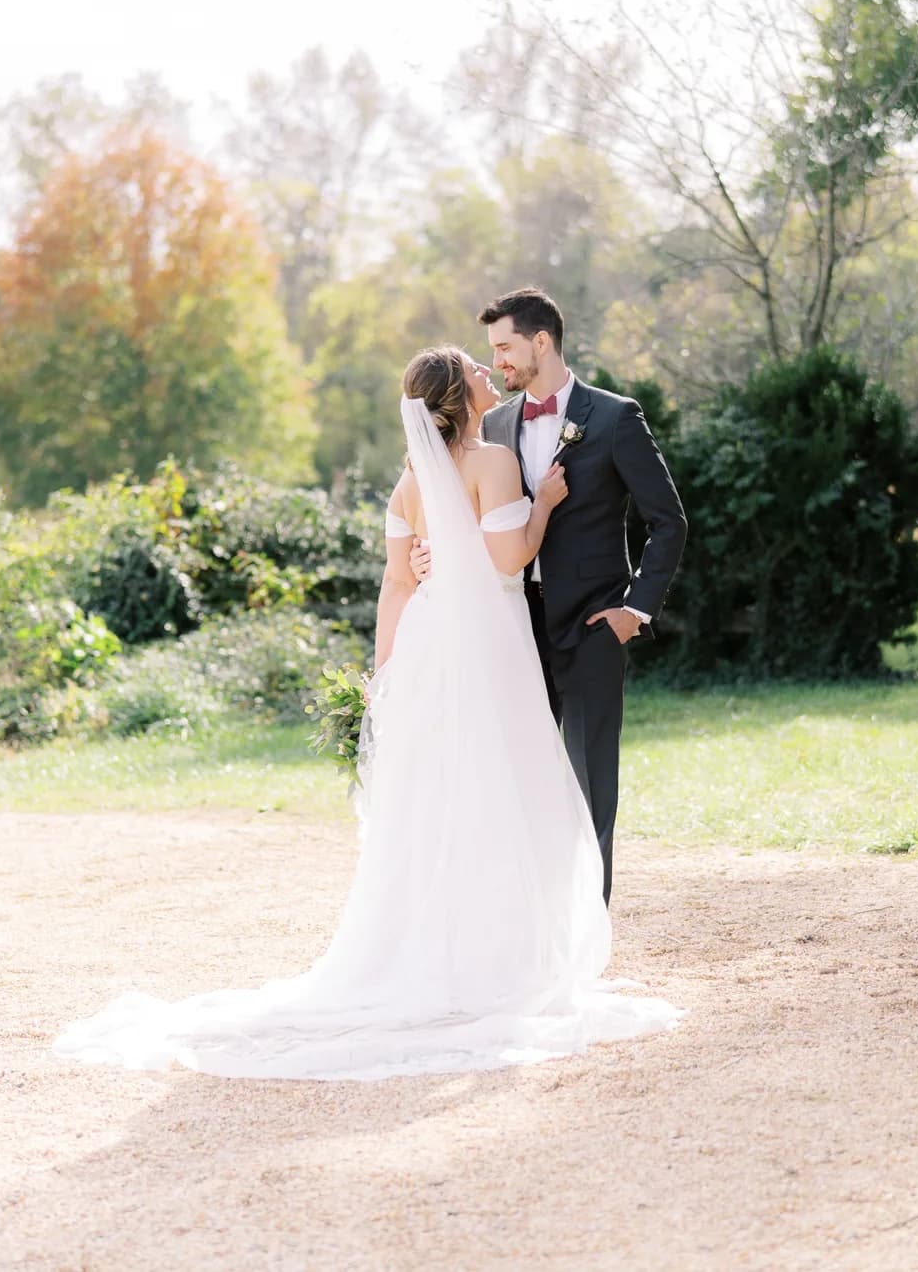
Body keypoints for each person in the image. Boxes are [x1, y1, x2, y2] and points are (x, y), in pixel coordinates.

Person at [53, 346, 679, 1080]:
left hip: (426, 644)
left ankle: (432, 947)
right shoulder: (492, 463)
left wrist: (384, 676)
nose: (488, 376)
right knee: (499, 786)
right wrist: (543, 504)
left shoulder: (410, 482)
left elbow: (394, 585)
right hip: (483, 644)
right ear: (459, 397)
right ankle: (497, 955)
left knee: (436, 796)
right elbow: (509, 564)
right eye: (478, 371)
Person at [416, 288, 687, 903]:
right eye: (493, 352)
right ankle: (531, 927)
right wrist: (425, 552)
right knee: (518, 781)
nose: (499, 362)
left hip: (594, 627)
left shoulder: (616, 418)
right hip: (513, 627)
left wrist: (635, 611)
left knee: (591, 786)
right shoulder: (495, 424)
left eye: (505, 347)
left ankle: (589, 937)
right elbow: (462, 515)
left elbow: (668, 521)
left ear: (542, 341)